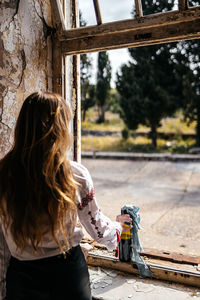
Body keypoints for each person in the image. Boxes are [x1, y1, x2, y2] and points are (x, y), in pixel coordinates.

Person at [0, 92, 132, 300]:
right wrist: (118, 228)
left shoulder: (4, 173)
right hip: (67, 274)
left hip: (22, 277)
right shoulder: (74, 175)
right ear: (59, 130)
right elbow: (96, 228)